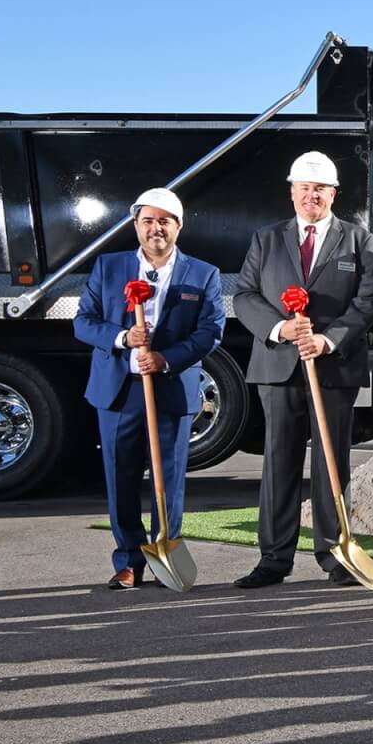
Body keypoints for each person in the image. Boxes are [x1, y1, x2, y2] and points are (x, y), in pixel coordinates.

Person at [232, 151, 373, 589]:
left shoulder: (360, 241)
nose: (311, 196)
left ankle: (336, 554)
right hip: (278, 368)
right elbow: (245, 296)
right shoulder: (267, 240)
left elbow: (369, 300)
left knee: (331, 462)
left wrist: (328, 338)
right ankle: (273, 559)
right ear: (292, 192)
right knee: (279, 462)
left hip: (333, 368)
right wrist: (281, 328)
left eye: (319, 189)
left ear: (333, 194)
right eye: (304, 188)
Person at [73, 188, 225, 590]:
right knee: (120, 473)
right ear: (136, 224)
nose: (156, 228)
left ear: (178, 226)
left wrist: (165, 358)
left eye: (164, 221)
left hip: (171, 386)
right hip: (119, 388)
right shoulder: (109, 267)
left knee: (169, 476)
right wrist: (124, 338)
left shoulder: (203, 273)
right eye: (148, 220)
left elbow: (211, 331)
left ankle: (165, 549)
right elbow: (84, 322)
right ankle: (128, 559)